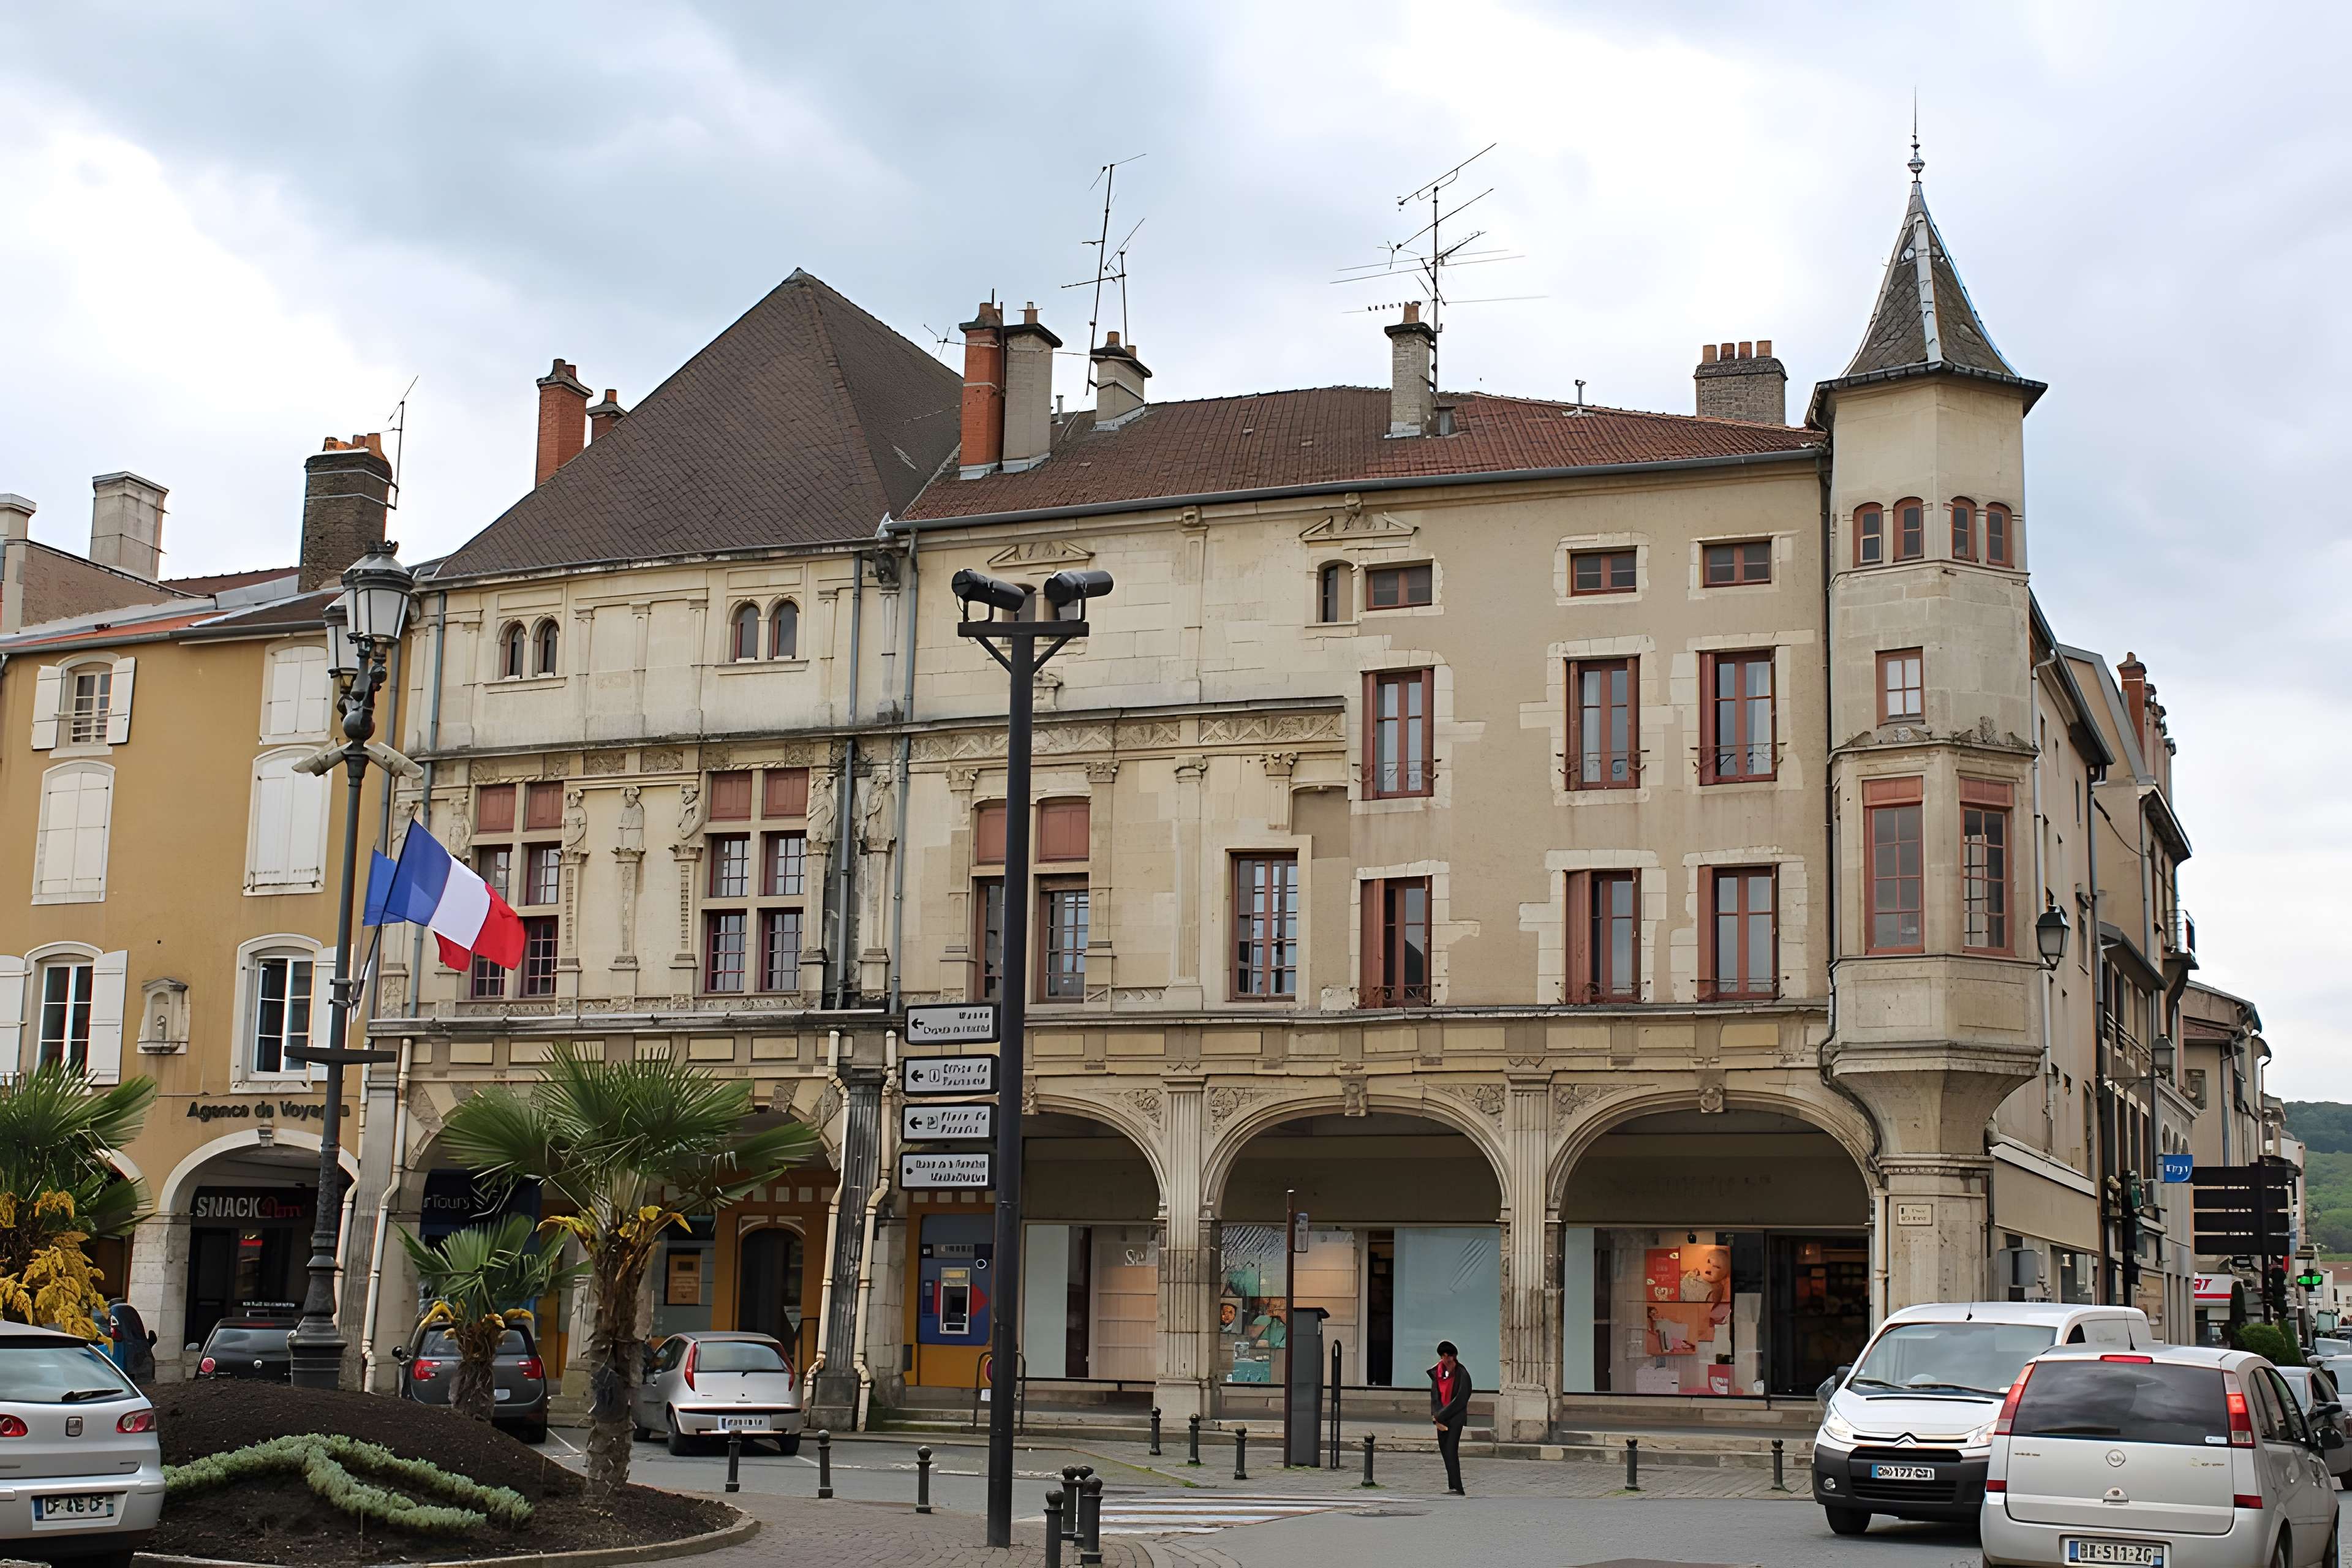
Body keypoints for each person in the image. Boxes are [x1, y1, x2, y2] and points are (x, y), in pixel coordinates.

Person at [1428, 1339, 1472, 1494]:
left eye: (1450, 1356)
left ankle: (1457, 1487)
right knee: (1445, 1451)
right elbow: (1435, 1397)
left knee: (1451, 1449)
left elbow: (1461, 1399)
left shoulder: (1462, 1373)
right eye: (1444, 1356)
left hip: (1455, 1417)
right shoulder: (1437, 1373)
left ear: (1454, 1357)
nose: (1447, 1359)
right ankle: (1452, 1486)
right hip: (1442, 1418)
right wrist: (1436, 1416)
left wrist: (1441, 1415)